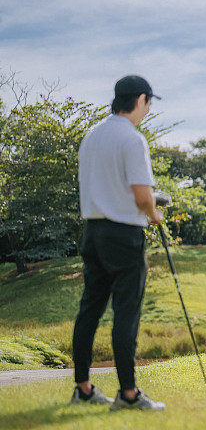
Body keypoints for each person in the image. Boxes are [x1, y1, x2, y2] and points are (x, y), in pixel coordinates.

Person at [72, 75, 166, 410]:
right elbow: (142, 196)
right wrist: (155, 213)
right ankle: (128, 395)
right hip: (123, 234)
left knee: (90, 311)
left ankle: (83, 389)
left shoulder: (92, 136)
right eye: (149, 102)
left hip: (93, 232)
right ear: (141, 99)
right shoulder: (131, 138)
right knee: (126, 313)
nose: (148, 108)